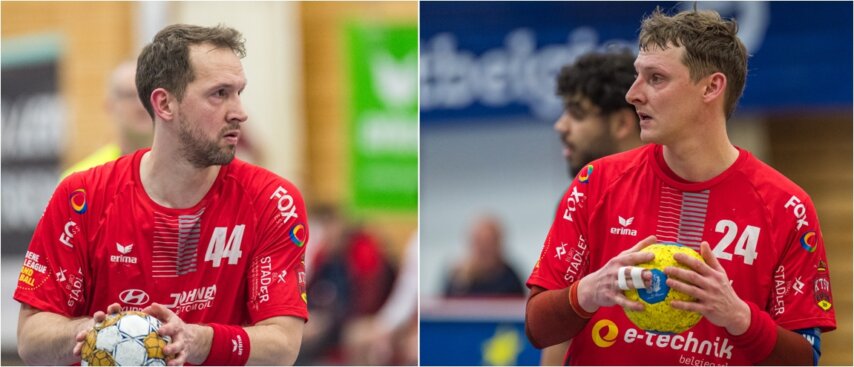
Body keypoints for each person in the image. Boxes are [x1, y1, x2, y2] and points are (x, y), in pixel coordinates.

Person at [525, 8, 836, 366]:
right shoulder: (596, 182)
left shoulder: (786, 206)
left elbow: (804, 360)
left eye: (655, 78)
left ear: (711, 87)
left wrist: (740, 318)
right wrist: (589, 291)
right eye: (636, 76)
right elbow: (537, 326)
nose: (632, 94)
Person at [15, 24, 309, 366]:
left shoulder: (273, 200)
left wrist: (198, 340)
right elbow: (30, 337)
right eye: (219, 94)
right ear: (164, 103)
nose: (239, 112)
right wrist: (99, 332)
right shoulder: (81, 196)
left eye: (238, 92)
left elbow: (284, 343)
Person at [541, 50, 643, 365]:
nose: (561, 125)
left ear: (622, 123)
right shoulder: (577, 199)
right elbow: (559, 329)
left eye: (577, 113)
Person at [60, 60, 154, 179]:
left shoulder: (181, 170)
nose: (141, 105)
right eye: (130, 96)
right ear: (110, 106)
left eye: (147, 94)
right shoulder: (81, 180)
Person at [444, 214, 525, 297]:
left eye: (489, 243)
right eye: (479, 242)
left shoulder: (510, 278)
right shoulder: (456, 279)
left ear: (498, 244)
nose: (484, 249)